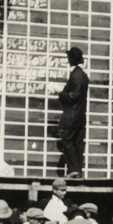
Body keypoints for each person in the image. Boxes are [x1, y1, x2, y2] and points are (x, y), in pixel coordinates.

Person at [49, 47, 89, 178]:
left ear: (70, 60)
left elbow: (73, 96)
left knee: (66, 138)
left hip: (71, 115)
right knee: (77, 142)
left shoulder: (76, 75)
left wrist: (59, 92)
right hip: (80, 115)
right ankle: (77, 171)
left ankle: (74, 170)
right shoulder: (82, 75)